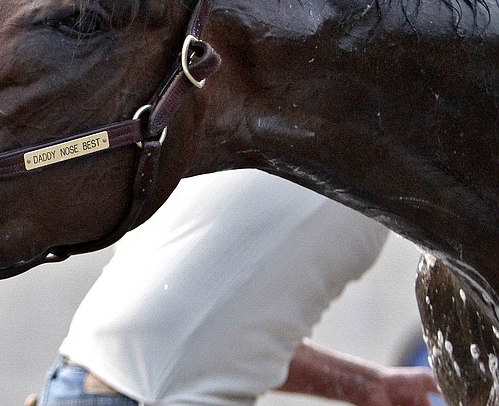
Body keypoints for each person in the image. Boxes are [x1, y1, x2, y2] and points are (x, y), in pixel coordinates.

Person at [28, 169, 439, 406]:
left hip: (103, 390)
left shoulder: (281, 147)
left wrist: (370, 386)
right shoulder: (337, 152)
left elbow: (222, 340)